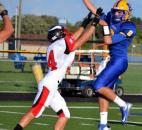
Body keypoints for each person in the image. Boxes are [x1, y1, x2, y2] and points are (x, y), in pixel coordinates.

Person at [13, 11, 99, 130]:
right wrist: (94, 23)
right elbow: (79, 41)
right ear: (59, 34)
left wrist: (85, 22)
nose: (67, 33)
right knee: (36, 110)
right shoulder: (62, 43)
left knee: (65, 114)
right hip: (50, 84)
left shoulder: (57, 44)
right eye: (63, 32)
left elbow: (73, 38)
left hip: (52, 83)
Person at [82, 0, 137, 130]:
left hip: (120, 61)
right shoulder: (110, 18)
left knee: (98, 85)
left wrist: (105, 25)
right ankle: (103, 125)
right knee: (103, 92)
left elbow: (108, 40)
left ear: (126, 14)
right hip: (112, 60)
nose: (116, 14)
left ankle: (124, 105)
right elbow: (95, 11)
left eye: (120, 11)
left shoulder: (129, 27)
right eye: (115, 11)